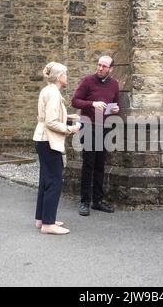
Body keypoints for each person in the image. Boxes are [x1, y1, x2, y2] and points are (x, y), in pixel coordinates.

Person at [33, 62, 80, 235]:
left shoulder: (47, 90)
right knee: (55, 181)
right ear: (60, 76)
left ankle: (42, 219)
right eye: (65, 75)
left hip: (41, 139)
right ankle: (48, 224)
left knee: (46, 180)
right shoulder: (54, 93)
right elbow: (50, 122)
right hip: (49, 141)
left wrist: (68, 116)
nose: (67, 77)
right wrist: (70, 128)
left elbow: (46, 115)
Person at [71, 55, 119, 216]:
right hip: (89, 127)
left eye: (104, 66)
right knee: (88, 165)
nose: (100, 68)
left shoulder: (114, 84)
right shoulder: (87, 81)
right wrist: (92, 103)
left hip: (104, 128)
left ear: (111, 69)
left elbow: (115, 103)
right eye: (99, 65)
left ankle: (97, 201)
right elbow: (75, 101)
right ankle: (85, 202)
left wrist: (115, 109)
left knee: (100, 165)